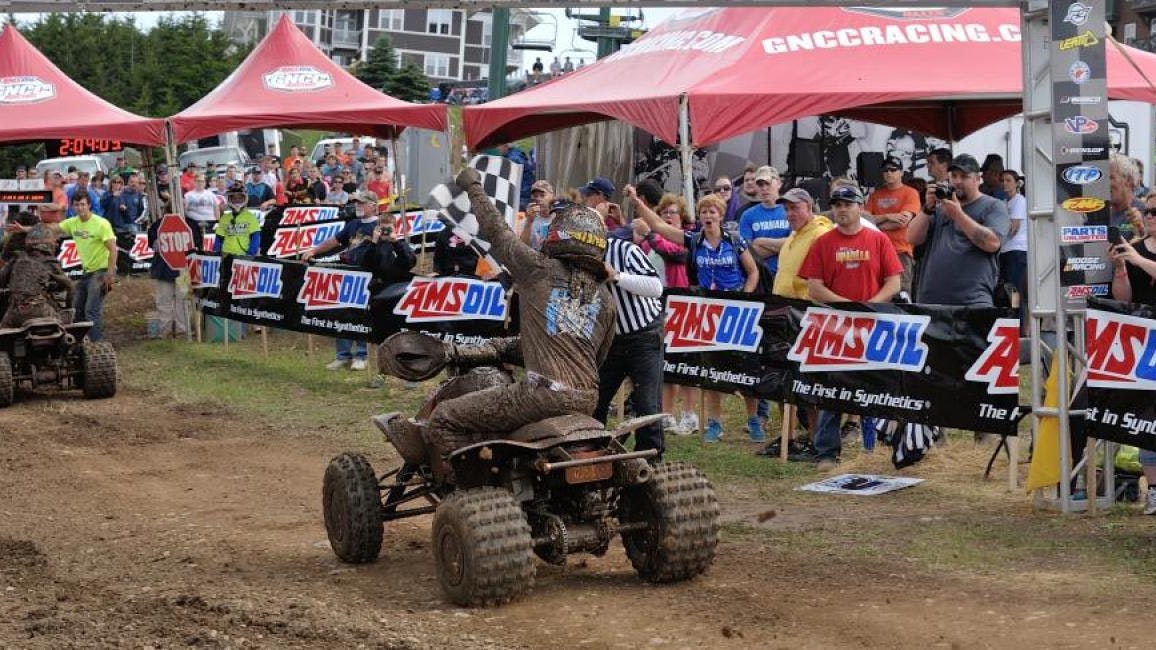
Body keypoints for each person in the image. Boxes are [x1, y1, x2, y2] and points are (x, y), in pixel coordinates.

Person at [416, 167, 616, 467]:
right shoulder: (605, 299)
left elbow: (496, 230)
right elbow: (593, 358)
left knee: (444, 418)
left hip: (541, 396)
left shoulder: (537, 269)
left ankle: (468, 497)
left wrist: (473, 186)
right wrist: (506, 349)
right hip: (587, 400)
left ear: (556, 236)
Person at [632, 190, 761, 443]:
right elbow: (658, 226)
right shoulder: (694, 240)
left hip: (737, 310)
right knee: (712, 371)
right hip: (708, 313)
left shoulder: (734, 240)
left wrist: (745, 297)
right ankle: (714, 423)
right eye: (704, 212)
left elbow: (753, 272)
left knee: (744, 370)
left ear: (721, 215)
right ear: (699, 217)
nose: (708, 216)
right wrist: (638, 202)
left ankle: (754, 419)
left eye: (713, 211)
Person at [797, 184, 902, 470]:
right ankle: (827, 453)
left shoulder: (878, 240)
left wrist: (870, 305)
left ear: (859, 207)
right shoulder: (822, 242)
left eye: (848, 204)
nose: (842, 209)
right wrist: (846, 306)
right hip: (836, 327)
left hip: (874, 325)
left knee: (881, 387)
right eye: (837, 204)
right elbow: (814, 288)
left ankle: (883, 448)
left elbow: (894, 282)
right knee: (833, 390)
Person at [907, 154, 1009, 306]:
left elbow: (992, 243)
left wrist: (958, 215)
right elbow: (911, 238)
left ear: (977, 179)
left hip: (972, 302)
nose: (958, 181)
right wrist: (926, 209)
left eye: (964, 176)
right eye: (954, 176)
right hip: (931, 301)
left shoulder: (993, 206)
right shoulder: (940, 208)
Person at [302, 191, 387, 371]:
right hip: (347, 273)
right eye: (357, 202)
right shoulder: (353, 224)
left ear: (373, 205)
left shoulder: (380, 225)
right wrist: (314, 251)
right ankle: (342, 355)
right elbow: (334, 240)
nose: (358, 205)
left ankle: (361, 355)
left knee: (361, 315)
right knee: (341, 313)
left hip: (368, 277)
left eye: (363, 203)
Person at [636, 193, 698, 435]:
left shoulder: (686, 239)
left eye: (673, 213)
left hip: (682, 304)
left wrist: (650, 234)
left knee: (688, 363)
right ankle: (667, 414)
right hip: (655, 305)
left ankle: (690, 414)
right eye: (664, 213)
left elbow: (672, 253)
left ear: (681, 217)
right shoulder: (648, 243)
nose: (669, 217)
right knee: (666, 363)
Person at [54, 194, 116, 341]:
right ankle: (80, 343)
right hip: (87, 272)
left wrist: (110, 273)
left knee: (91, 310)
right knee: (77, 308)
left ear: (89, 205)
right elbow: (51, 229)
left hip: (102, 270)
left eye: (83, 204)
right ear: (73, 206)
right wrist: (24, 229)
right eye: (76, 205)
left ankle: (97, 344)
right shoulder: (72, 223)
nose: (80, 208)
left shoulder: (101, 223)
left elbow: (113, 249)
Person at [865, 156, 921, 295]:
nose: (889, 173)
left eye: (893, 169)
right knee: (877, 293)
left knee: (901, 295)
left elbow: (903, 222)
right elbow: (864, 221)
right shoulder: (875, 195)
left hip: (901, 250)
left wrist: (877, 224)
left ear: (901, 172)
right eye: (885, 170)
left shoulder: (911, 193)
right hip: (876, 251)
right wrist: (887, 216)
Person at [0, 221, 72, 329]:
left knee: (4, 336)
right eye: (54, 241)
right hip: (41, 310)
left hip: (15, 312)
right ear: (48, 244)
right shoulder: (50, 262)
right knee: (66, 326)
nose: (56, 244)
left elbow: (1, 280)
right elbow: (70, 286)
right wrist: (69, 307)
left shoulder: (17, 258)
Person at [146, 215, 199, 339]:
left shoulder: (191, 224)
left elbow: (197, 246)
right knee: (165, 301)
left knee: (183, 300)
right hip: (164, 269)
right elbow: (152, 243)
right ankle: (165, 331)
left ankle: (182, 330)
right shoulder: (158, 224)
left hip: (183, 271)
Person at [738, 165, 789, 287]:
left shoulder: (789, 210)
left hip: (786, 277)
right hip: (760, 279)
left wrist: (760, 241)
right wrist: (782, 247)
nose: (764, 188)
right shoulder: (747, 215)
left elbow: (796, 244)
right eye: (760, 185)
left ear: (779, 183)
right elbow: (746, 253)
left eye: (768, 183)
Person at [999, 169, 1028, 330]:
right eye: (1003, 180)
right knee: (1007, 289)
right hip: (1005, 251)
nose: (1005, 183)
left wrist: (996, 230)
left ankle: (1019, 325)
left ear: (1017, 183)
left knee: (1015, 290)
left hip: (1017, 250)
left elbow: (1013, 228)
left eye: (1009, 180)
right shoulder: (1004, 202)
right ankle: (1012, 323)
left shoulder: (1019, 201)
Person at [213, 182, 261, 257]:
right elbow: (219, 238)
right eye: (234, 198)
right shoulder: (224, 218)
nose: (237, 200)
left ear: (245, 198)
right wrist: (216, 254)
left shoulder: (251, 217)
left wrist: (250, 255)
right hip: (225, 255)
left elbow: (255, 238)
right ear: (229, 199)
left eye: (240, 198)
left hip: (243, 256)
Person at [1110, 151, 1146, 237]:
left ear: (1129, 180)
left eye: (1111, 177)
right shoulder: (1100, 214)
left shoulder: (1146, 212)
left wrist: (1142, 230)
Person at [520, 180, 555, 250]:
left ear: (552, 197)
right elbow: (522, 246)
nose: (538, 199)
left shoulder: (560, 216)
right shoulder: (529, 219)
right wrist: (529, 222)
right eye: (535, 196)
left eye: (542, 195)